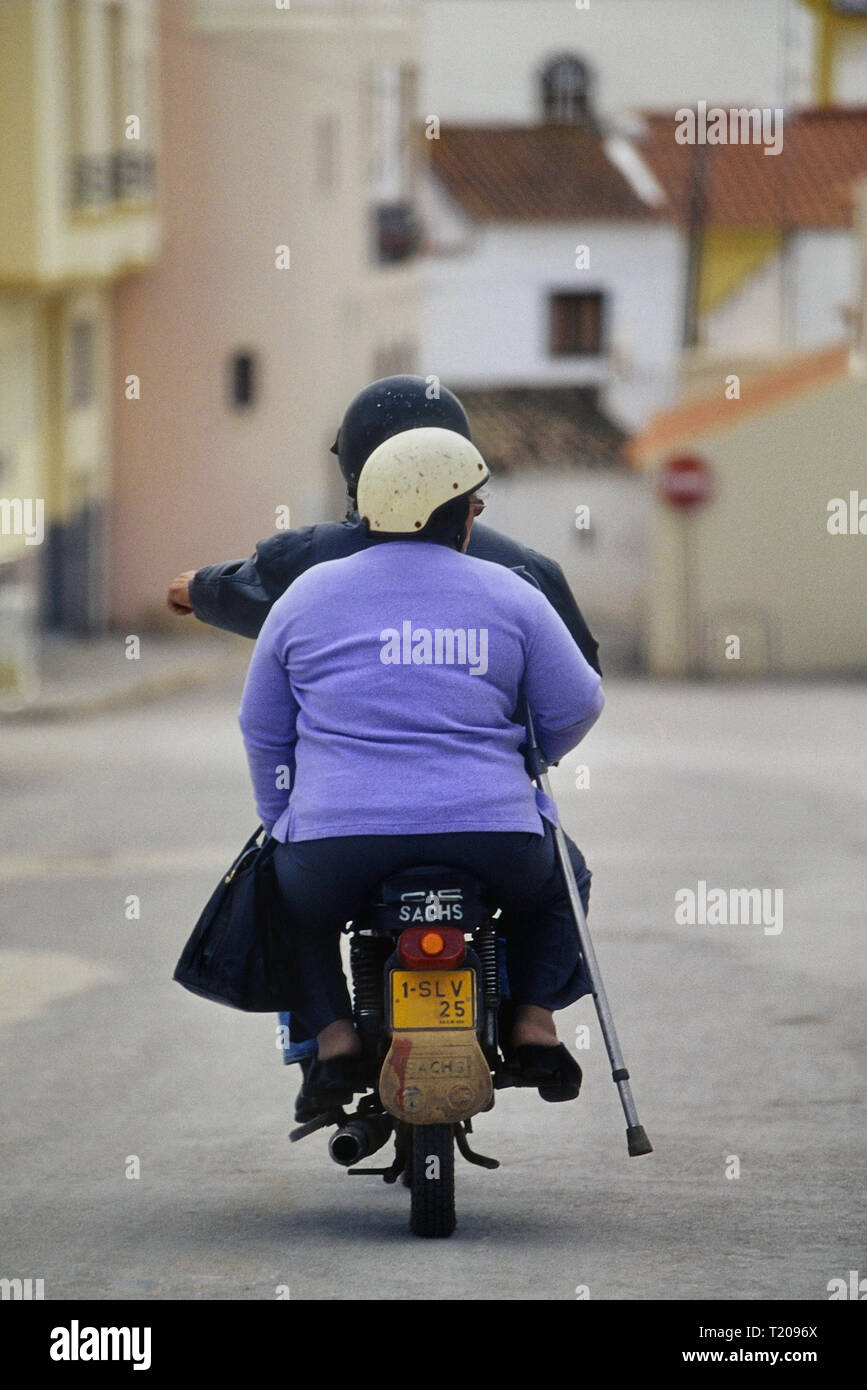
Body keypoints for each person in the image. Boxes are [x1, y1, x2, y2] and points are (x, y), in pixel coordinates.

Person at [237, 428, 604, 1116]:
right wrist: (533, 758)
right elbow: (579, 701)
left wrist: (281, 817)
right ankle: (532, 1021)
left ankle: (337, 1039)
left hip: (336, 843)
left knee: (280, 898)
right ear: (462, 514)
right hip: (494, 836)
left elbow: (262, 726)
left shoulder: (307, 596)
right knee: (563, 881)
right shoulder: (511, 593)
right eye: (475, 505)